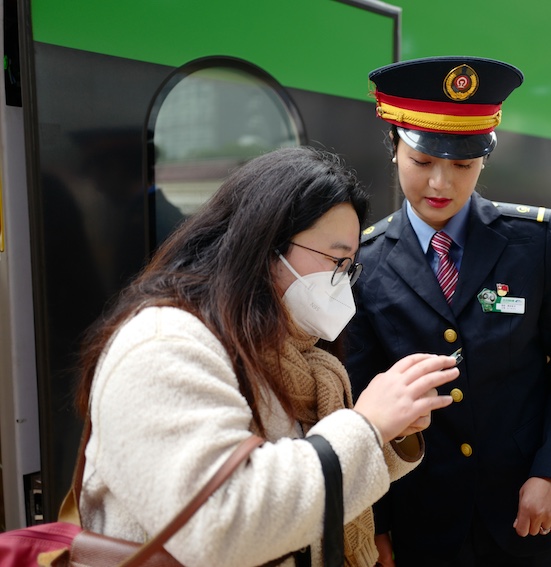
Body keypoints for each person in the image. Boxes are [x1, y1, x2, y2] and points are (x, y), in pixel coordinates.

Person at [73, 145, 460, 567]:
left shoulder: (289, 352)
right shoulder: (164, 346)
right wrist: (366, 426)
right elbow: (221, 526)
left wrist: (390, 433)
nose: (342, 284)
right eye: (335, 261)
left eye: (350, 267)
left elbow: (303, 485)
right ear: (266, 244)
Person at [345, 56, 551, 567]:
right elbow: (358, 403)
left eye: (462, 165)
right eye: (422, 162)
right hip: (424, 527)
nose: (440, 183)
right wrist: (374, 524)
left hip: (530, 521)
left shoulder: (533, 242)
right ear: (394, 148)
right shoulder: (365, 264)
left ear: (484, 159)